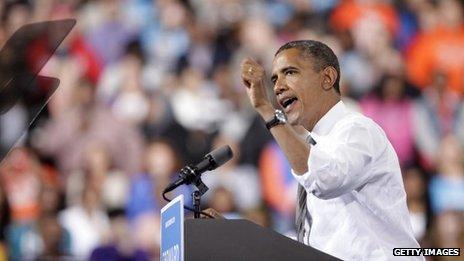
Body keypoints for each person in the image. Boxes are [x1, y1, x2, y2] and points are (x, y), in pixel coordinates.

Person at [241, 40, 421, 260]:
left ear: (327, 78)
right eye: (274, 78)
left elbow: (324, 179)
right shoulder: (313, 145)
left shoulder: (358, 129)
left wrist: (267, 111)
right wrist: (238, 236)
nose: (278, 87)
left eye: (290, 72)